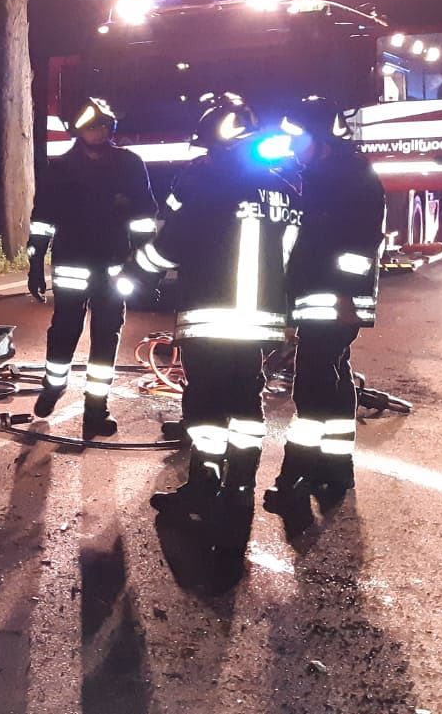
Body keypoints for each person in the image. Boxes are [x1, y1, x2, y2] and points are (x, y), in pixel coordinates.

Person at [118, 92, 302, 562]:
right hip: (263, 323)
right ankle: (239, 491)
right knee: (245, 402)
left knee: (205, 406)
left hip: (210, 319)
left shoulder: (211, 183)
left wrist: (133, 276)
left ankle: (204, 489)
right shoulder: (286, 189)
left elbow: (171, 244)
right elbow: (294, 259)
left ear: (219, 143)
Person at [263, 97, 386, 522]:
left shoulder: (350, 179)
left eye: (298, 140)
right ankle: (335, 470)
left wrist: (346, 296)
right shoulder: (324, 175)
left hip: (333, 301)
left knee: (312, 387)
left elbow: (360, 245)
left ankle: (295, 479)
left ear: (321, 139)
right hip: (321, 298)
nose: (293, 149)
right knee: (333, 380)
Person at [27, 97, 156, 437]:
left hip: (114, 269)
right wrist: (35, 262)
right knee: (64, 332)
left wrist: (145, 265)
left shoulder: (129, 165)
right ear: (79, 130)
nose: (95, 133)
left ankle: (95, 411)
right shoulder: (61, 167)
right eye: (89, 127)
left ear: (110, 128)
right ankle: (53, 386)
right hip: (71, 263)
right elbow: (42, 218)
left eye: (100, 126)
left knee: (105, 337)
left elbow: (144, 218)